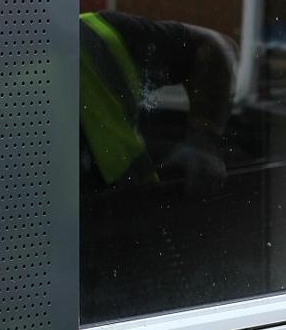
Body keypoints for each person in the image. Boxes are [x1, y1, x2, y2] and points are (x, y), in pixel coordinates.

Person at [80, 10, 236, 197]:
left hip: (138, 212)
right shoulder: (91, 36)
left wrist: (202, 139)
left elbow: (212, 47)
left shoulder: (93, 37)